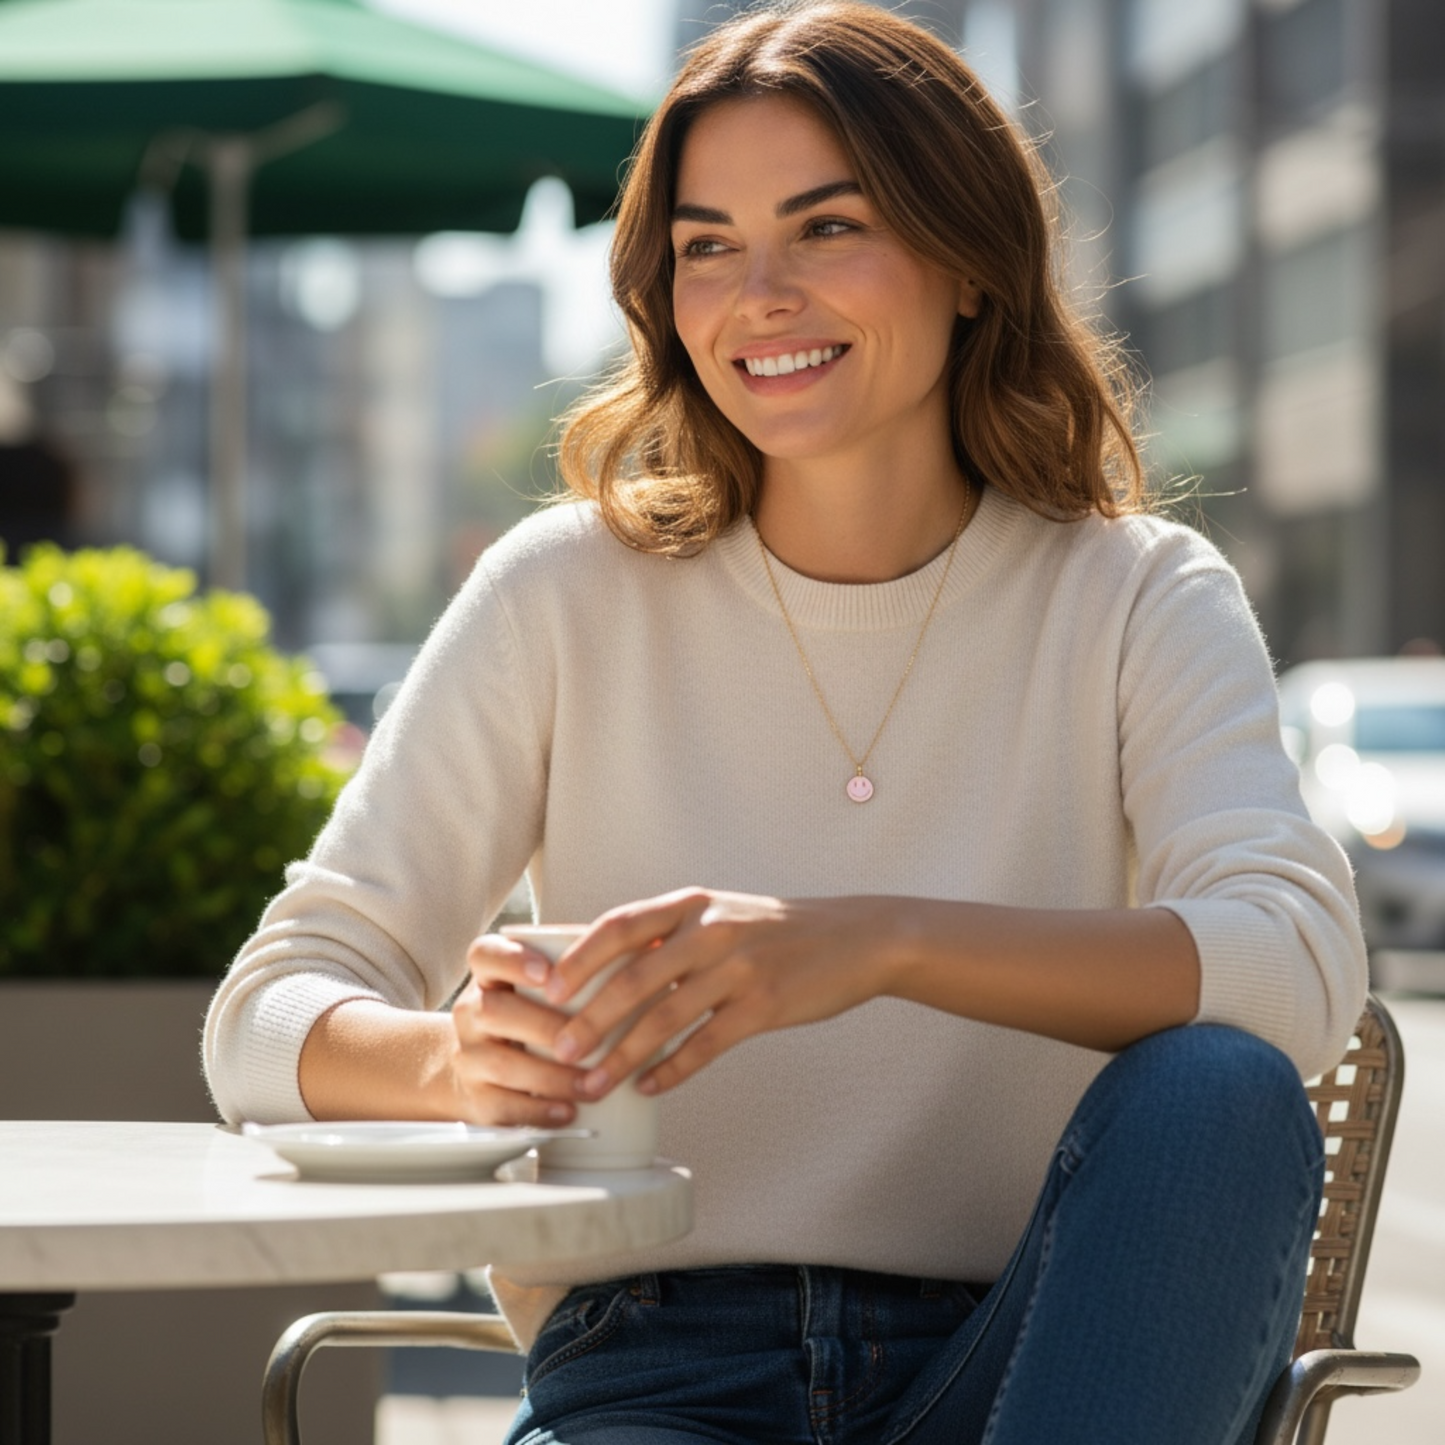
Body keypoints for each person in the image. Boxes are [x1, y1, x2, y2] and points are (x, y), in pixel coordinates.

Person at [204, 4, 1367, 1441]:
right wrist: (456, 1063)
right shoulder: (565, 594)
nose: (758, 294)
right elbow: (262, 1022)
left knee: (1219, 1094)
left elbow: (1299, 970)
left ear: (965, 262)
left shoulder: (1132, 595)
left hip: (1029, 1365)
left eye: (827, 228)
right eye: (705, 246)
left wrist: (873, 944)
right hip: (653, 1368)